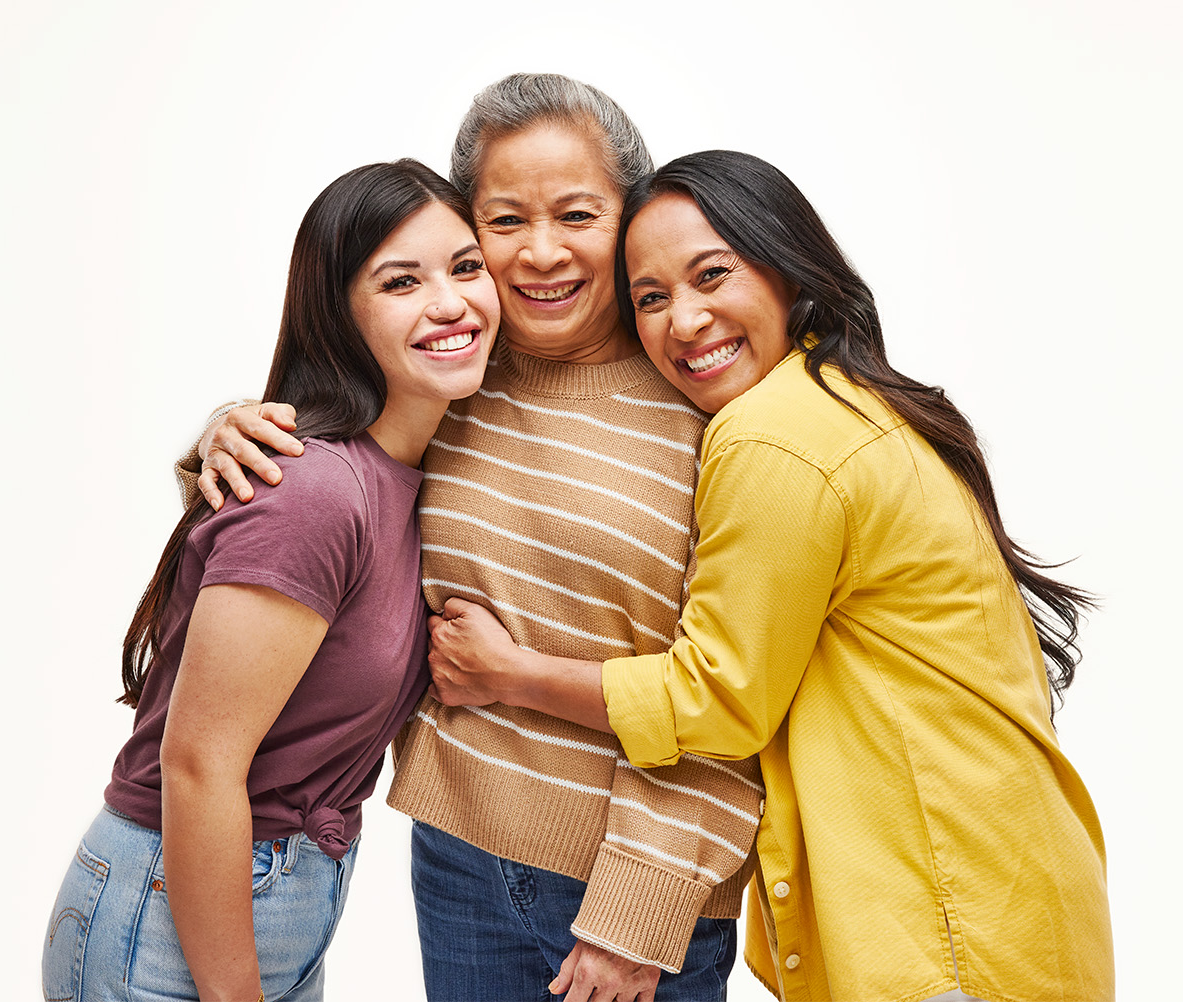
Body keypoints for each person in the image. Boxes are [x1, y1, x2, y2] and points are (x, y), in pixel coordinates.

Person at [425, 150, 1116, 1002]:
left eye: (712, 275)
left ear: (789, 268)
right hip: (987, 892)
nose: (684, 321)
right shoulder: (844, 397)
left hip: (938, 918)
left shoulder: (774, 437)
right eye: (651, 297)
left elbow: (717, 699)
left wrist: (509, 674)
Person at [183, 74, 762, 1002]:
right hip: (457, 859)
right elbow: (328, 483)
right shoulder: (455, 370)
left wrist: (637, 911)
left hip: (630, 896)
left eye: (577, 214)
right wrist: (225, 432)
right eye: (504, 221)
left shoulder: (709, 408)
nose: (541, 253)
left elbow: (739, 691)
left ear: (631, 216)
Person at [42, 159, 498, 1002]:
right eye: (402, 281)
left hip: (272, 900)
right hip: (173, 912)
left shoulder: (417, 471)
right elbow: (199, 764)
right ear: (339, 313)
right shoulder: (319, 492)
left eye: (466, 267)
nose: (450, 302)